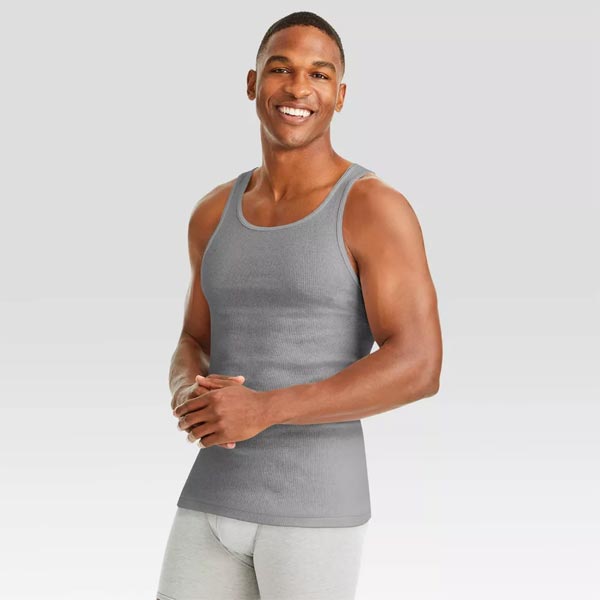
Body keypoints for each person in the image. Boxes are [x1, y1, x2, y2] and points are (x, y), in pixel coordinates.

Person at [156, 10, 442, 600]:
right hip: (212, 494)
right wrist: (186, 388)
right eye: (280, 69)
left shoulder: (373, 207)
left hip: (315, 510)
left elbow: (419, 364)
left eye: (319, 73)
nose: (297, 88)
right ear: (252, 83)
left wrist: (264, 409)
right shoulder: (212, 212)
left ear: (340, 95)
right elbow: (194, 339)